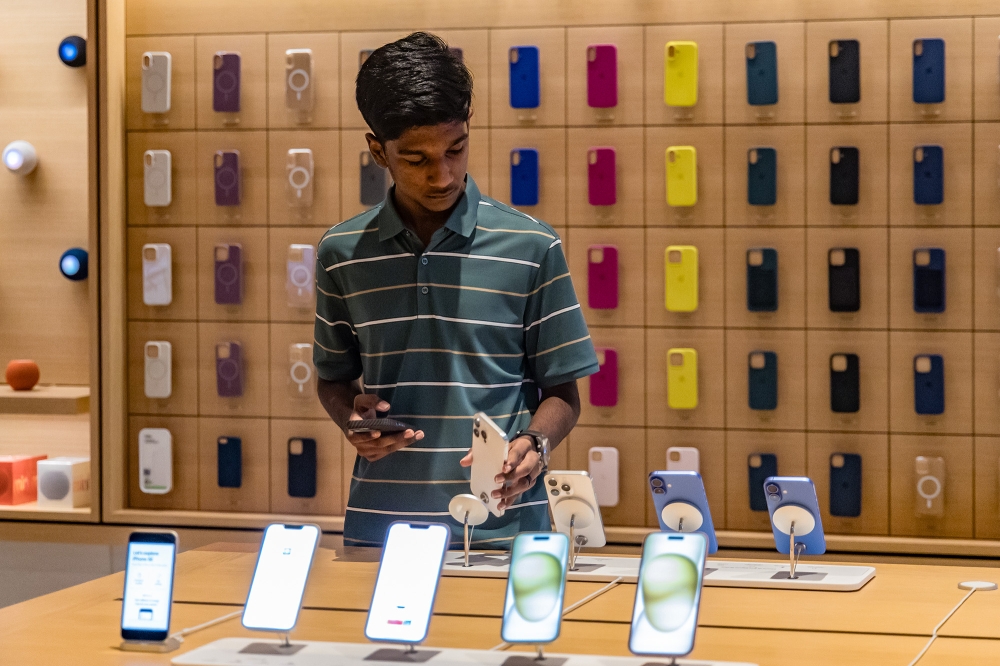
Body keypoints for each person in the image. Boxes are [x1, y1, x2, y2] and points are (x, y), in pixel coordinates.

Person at [315, 32, 599, 548]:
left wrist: (536, 442)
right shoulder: (341, 253)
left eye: (456, 149)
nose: (442, 175)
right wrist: (352, 418)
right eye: (416, 159)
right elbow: (332, 380)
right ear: (378, 151)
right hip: (381, 530)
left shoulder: (532, 245)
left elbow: (563, 394)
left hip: (507, 532)